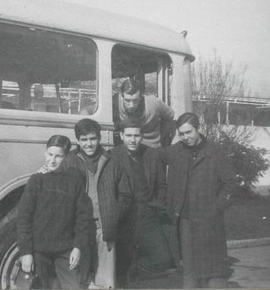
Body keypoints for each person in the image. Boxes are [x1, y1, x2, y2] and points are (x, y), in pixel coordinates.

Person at [159, 112, 236, 288]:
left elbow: (231, 184)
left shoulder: (215, 152)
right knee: (189, 270)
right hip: (185, 220)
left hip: (209, 221)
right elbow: (154, 156)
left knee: (213, 272)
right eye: (182, 134)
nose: (185, 137)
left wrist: (216, 208)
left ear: (198, 129)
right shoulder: (176, 151)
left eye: (189, 132)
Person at [61, 118, 132, 289]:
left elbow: (126, 195)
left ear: (99, 138)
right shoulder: (69, 160)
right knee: (79, 277)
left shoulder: (113, 161)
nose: (89, 144)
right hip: (78, 230)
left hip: (104, 228)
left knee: (105, 280)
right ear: (77, 140)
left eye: (92, 139)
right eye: (84, 140)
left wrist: (113, 215)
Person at [17, 135, 93, 289]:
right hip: (39, 251)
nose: (52, 160)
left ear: (65, 157)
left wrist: (77, 248)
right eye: (50, 155)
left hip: (65, 250)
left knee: (73, 286)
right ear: (45, 153)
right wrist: (26, 253)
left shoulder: (74, 182)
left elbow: (82, 218)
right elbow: (24, 218)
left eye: (58, 156)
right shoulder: (36, 181)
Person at [110, 119, 175, 288]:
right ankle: (130, 276)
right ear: (121, 136)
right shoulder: (112, 156)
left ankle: (136, 268)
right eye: (129, 135)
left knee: (164, 260)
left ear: (142, 136)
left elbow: (161, 184)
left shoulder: (152, 154)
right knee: (123, 262)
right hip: (125, 216)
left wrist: (158, 205)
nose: (133, 140)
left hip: (148, 213)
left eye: (137, 135)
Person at [113, 79, 175, 148]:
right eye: (127, 100)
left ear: (141, 97)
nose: (131, 105)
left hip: (151, 148)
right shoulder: (115, 102)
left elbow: (170, 116)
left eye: (135, 100)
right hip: (126, 147)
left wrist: (162, 136)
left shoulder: (154, 103)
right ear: (122, 97)